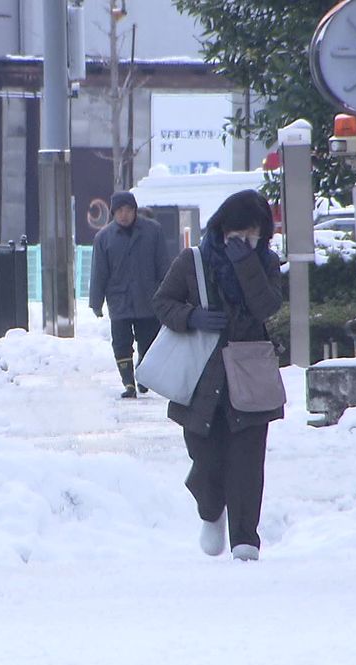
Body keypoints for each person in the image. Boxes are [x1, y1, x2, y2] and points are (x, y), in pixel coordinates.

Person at [152, 189, 284, 561]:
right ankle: (211, 512)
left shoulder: (267, 263)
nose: (242, 242)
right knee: (206, 460)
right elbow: (162, 302)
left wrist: (247, 265)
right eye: (235, 234)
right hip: (201, 377)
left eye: (250, 235)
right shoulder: (193, 261)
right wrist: (191, 317)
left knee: (247, 462)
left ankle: (245, 539)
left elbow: (266, 306)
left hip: (249, 372)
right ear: (221, 228)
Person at [89, 190, 173, 398]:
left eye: (128, 210)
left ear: (135, 211)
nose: (124, 215)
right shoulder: (104, 238)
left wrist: (170, 294)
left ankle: (143, 375)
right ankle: (128, 383)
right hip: (119, 300)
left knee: (149, 342)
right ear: (113, 213)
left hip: (148, 298)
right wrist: (96, 302)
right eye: (120, 211)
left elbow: (164, 265)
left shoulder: (153, 232)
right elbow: (99, 271)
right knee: (121, 343)